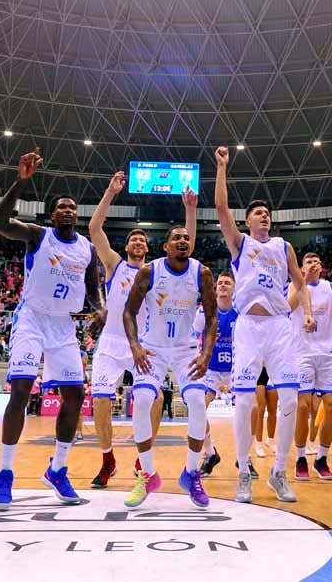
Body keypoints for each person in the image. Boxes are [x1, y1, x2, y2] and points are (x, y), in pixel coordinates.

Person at [0, 149, 102, 509]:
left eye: (72, 207)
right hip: (32, 318)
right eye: (62, 207)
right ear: (53, 214)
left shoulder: (86, 248)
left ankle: (58, 468)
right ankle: (4, 473)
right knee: (21, 391)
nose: (68, 211)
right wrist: (21, 182)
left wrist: (99, 309)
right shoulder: (38, 236)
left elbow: (94, 286)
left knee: (74, 396)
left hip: (63, 325)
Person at [214, 146, 315, 503]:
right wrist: (222, 168)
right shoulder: (240, 244)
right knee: (244, 402)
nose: (265, 217)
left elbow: (299, 283)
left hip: (278, 328)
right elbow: (222, 209)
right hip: (248, 328)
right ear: (248, 221)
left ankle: (279, 471)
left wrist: (302, 311)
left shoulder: (284, 246)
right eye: (258, 213)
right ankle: (244, 471)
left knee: (289, 396)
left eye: (268, 214)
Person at [86, 171, 196, 489]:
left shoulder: (157, 272)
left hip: (142, 342)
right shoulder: (115, 265)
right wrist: (109, 191)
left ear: (149, 248)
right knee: (102, 399)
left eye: (142, 240)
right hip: (111, 340)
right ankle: (107, 460)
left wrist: (189, 210)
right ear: (127, 245)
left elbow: (187, 243)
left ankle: (141, 460)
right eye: (133, 238)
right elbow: (94, 229)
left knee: (157, 399)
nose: (137, 241)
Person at [121, 226, 218, 508]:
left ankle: (190, 474)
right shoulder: (150, 272)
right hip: (153, 347)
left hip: (186, 349)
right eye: (176, 238)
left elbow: (211, 318)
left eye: (186, 238)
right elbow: (128, 311)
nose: (182, 241)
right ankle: (148, 474)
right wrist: (135, 345)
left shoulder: (202, 273)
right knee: (140, 401)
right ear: (166, 246)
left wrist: (206, 353)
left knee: (198, 403)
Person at [290, 253, 332, 481]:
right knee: (303, 407)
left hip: (326, 354)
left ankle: (321, 458)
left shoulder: (330, 287)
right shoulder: (295, 284)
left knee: (331, 405)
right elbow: (288, 308)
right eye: (308, 262)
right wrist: (303, 282)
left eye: (316, 262)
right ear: (301, 268)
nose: (313, 265)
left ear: (322, 267)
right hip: (302, 353)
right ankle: (301, 458)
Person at [190, 271, 240, 476]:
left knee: (247, 412)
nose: (223, 285)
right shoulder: (205, 311)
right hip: (211, 369)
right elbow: (193, 336)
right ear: (215, 287)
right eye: (220, 283)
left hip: (236, 368)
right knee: (198, 409)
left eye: (227, 283)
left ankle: (245, 459)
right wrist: (197, 359)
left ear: (234, 288)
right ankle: (210, 453)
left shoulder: (241, 310)